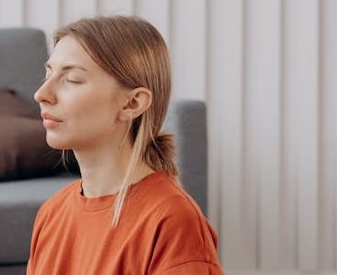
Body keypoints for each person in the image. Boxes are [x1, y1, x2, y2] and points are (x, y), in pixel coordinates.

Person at [27, 16, 222, 274]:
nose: (41, 93)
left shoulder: (172, 221)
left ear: (132, 104)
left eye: (72, 79)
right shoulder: (52, 213)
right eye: (48, 74)